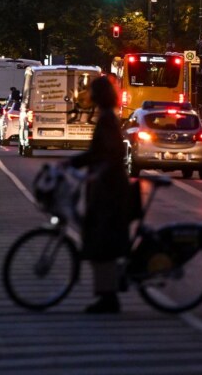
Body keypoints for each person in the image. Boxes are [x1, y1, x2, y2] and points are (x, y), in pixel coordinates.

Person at [68, 76, 138, 314]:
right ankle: (107, 295)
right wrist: (75, 163)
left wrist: (78, 166)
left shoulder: (107, 120)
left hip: (109, 191)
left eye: (91, 91)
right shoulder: (108, 117)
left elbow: (105, 154)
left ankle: (108, 298)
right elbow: (100, 153)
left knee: (102, 243)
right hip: (108, 188)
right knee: (102, 243)